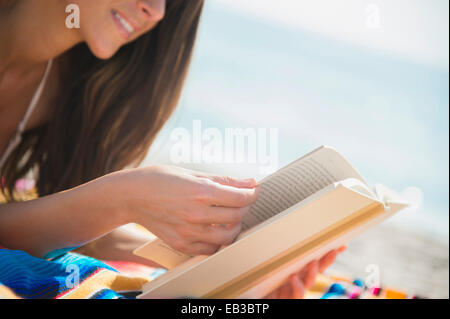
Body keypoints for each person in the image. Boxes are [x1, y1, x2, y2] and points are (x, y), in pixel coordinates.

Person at [0, 0, 342, 299]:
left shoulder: (75, 87)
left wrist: (221, 262)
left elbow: (79, 232)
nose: (158, 10)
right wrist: (122, 197)